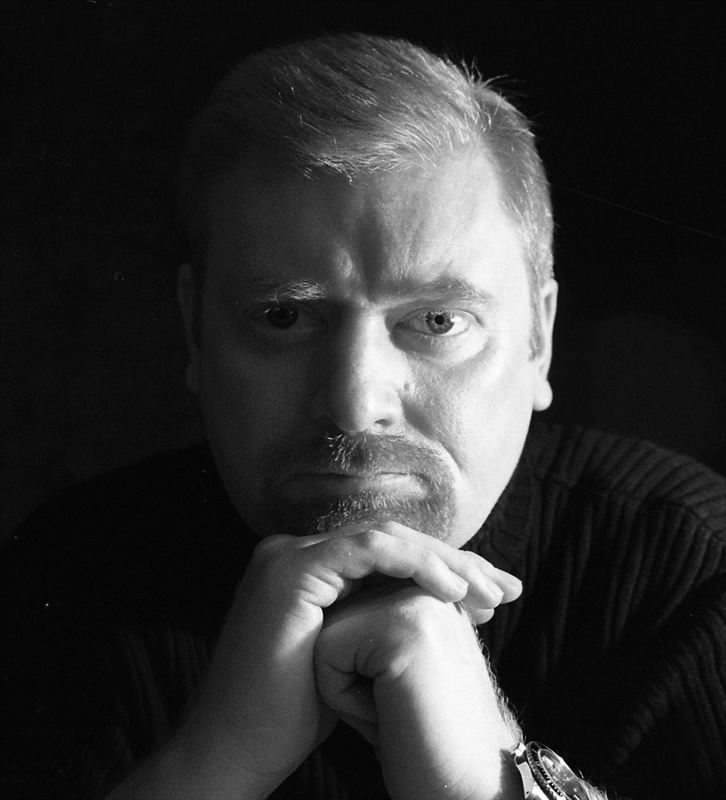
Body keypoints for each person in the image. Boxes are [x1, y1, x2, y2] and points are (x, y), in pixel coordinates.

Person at [1, 33, 725, 800]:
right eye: (283, 317)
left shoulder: (692, 568)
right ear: (194, 333)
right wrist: (213, 762)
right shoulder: (66, 581)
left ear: (537, 339)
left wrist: (488, 782)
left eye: (438, 322)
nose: (356, 403)